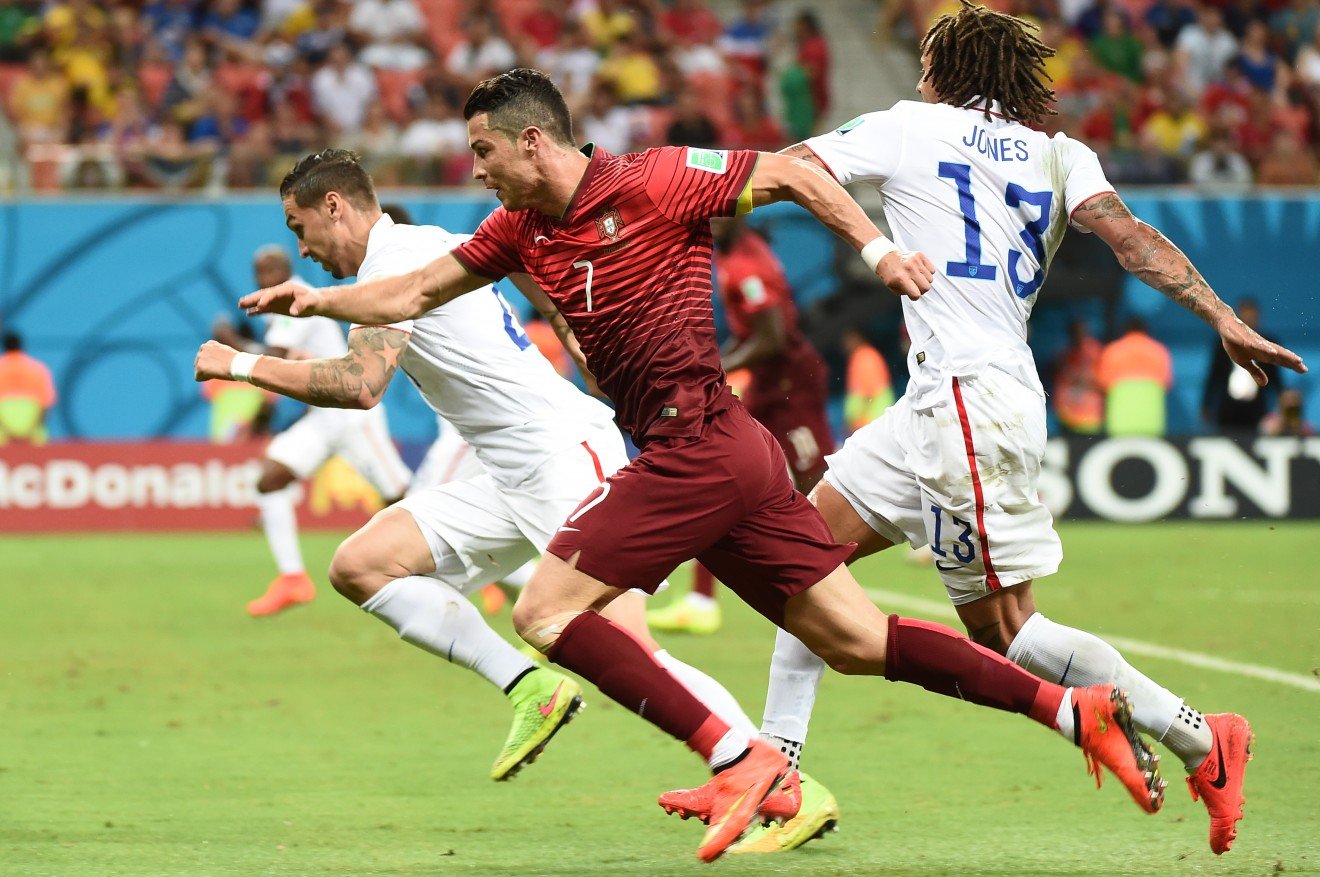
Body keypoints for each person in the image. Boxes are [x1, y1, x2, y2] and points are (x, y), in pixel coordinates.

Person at [240, 69, 1168, 864]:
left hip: (700, 450)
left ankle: (746, 759)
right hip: (729, 459)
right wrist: (316, 297)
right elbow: (406, 291)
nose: (474, 170)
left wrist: (878, 248)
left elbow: (796, 172)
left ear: (532, 142)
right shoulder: (517, 232)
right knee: (858, 641)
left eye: (483, 152)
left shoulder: (658, 179)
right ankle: (1069, 711)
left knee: (544, 611)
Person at [714, 0, 1305, 856]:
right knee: (800, 560)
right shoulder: (1064, 154)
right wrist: (1219, 312)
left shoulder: (908, 125)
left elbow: (782, 170)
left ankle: (1205, 740)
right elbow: (1133, 243)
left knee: (1006, 633)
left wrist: (668, 186)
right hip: (945, 399)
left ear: (941, 73)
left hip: (969, 400)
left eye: (925, 63)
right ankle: (781, 772)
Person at [199, 149, 764, 791]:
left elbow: (359, 384)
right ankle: (530, 690)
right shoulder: (426, 242)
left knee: (623, 640)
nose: (301, 250)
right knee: (361, 566)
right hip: (508, 474)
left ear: (335, 206)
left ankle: (759, 771)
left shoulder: (396, 261)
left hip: (561, 455)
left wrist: (238, 365)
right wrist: (567, 331)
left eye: (299, 228)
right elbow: (522, 260)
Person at [648, 217, 834, 639]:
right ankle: (700, 601)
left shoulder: (750, 265)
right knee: (718, 470)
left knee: (819, 482)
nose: (703, 220)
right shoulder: (734, 253)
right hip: (771, 384)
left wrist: (715, 369)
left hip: (790, 384)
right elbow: (755, 335)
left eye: (711, 212)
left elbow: (772, 338)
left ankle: (833, 585)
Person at [217, 245, 413, 617]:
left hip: (353, 416)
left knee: (401, 498)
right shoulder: (279, 312)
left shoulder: (294, 301)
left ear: (283, 271)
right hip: (324, 419)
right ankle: (293, 579)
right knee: (270, 480)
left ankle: (478, 572)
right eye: (257, 273)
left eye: (267, 271)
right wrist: (260, 421)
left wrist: (230, 342)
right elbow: (276, 372)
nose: (261, 280)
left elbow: (270, 359)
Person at [1201, 297, 1279, 434]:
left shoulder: (1268, 343)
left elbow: (1275, 378)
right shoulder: (1223, 343)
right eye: (1244, 314)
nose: (1248, 318)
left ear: (1258, 316)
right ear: (1238, 316)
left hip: (1256, 409)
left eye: (1252, 314)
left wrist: (1281, 402)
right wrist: (1206, 405)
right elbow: (1214, 376)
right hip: (1228, 408)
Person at [1096, 316, 1173, 436]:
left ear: (1125, 331)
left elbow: (1102, 383)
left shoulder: (1113, 350)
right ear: (1146, 331)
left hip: (1120, 419)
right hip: (1151, 418)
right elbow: (1167, 383)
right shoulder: (1159, 351)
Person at [0, 330, 57, 444]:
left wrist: (6, 428)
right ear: (22, 346)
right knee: (40, 450)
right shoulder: (37, 367)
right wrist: (34, 427)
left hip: (3, 420)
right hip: (32, 419)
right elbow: (46, 403)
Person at [1052, 318, 1104, 434]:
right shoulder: (1064, 353)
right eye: (1074, 333)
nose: (1078, 336)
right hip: (1066, 416)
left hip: (1089, 416)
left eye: (1081, 332)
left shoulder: (1094, 351)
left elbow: (1102, 382)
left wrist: (1079, 379)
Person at [840, 327, 893, 434]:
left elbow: (861, 394)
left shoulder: (863, 357)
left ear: (858, 337)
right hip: (878, 422)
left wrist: (850, 422)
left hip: (872, 423)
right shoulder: (868, 355)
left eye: (849, 339)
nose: (845, 344)